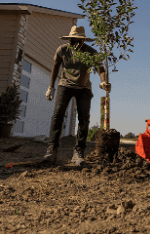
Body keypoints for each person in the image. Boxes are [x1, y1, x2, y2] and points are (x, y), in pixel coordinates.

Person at [43, 25, 110, 166]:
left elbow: (101, 68)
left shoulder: (91, 53)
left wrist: (103, 82)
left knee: (84, 119)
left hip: (83, 87)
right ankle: (52, 150)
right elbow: (55, 67)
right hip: (64, 85)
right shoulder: (62, 50)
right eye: (72, 40)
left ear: (83, 41)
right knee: (57, 115)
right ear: (70, 40)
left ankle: (78, 152)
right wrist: (51, 87)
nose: (75, 43)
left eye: (78, 41)